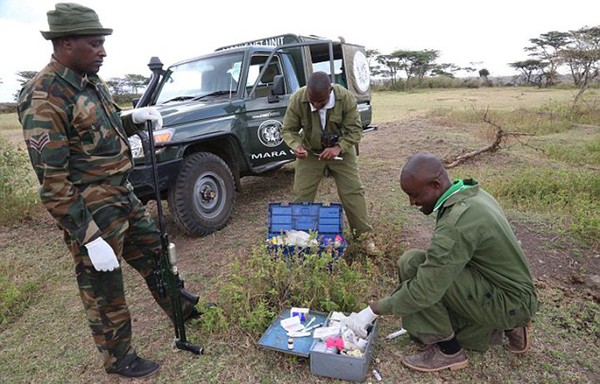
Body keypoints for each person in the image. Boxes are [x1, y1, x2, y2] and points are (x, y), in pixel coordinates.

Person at [18, 3, 200, 378]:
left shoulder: (90, 81)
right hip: (91, 208)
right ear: (65, 43)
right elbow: (53, 185)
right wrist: (88, 237)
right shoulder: (43, 97)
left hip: (123, 194)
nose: (103, 51)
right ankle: (119, 358)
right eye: (95, 44)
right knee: (104, 285)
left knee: (156, 255)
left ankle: (184, 312)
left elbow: (103, 125)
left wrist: (132, 119)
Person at [343, 153, 538, 372]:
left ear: (436, 185)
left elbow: (426, 289)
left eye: (415, 195)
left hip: (510, 302)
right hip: (511, 292)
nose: (412, 202)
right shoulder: (472, 195)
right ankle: (509, 327)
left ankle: (449, 351)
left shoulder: (458, 221)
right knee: (412, 261)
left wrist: (373, 310)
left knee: (421, 278)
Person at [281, 71, 378, 255]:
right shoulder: (298, 99)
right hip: (310, 153)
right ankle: (299, 238)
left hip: (341, 152)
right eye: (312, 101)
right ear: (307, 92)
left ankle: (365, 237)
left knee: (352, 191)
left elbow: (356, 131)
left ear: (330, 91)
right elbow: (288, 129)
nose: (317, 105)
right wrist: (296, 146)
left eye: (321, 102)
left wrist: (338, 148)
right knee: (302, 193)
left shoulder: (345, 98)